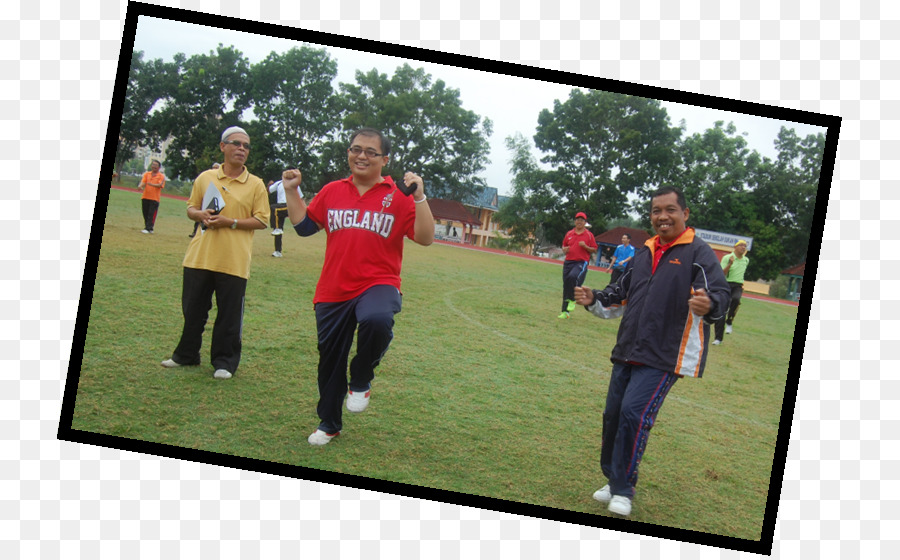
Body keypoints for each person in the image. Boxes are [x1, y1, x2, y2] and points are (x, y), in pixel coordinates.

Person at [573, 185, 730, 517]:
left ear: (685, 214)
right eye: (656, 210)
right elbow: (620, 292)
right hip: (628, 348)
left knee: (633, 413)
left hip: (665, 355)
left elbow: (720, 294)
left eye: (670, 210)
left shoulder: (698, 253)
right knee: (613, 416)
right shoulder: (644, 252)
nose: (663, 216)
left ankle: (624, 489)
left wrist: (709, 303)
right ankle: (613, 479)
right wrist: (594, 298)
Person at [281, 127, 435, 446]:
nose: (361, 156)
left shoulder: (399, 196)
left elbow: (425, 237)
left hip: (379, 282)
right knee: (330, 360)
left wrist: (419, 197)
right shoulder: (333, 190)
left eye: (370, 151)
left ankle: (362, 377)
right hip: (333, 289)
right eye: (355, 149)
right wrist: (291, 190)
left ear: (385, 159)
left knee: (378, 320)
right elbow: (305, 227)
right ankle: (329, 423)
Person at [160, 127, 269, 379]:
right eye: (236, 144)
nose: (242, 149)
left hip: (234, 260)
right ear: (223, 146)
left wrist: (230, 222)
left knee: (229, 315)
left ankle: (224, 362)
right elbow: (191, 208)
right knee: (193, 310)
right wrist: (199, 215)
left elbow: (262, 220)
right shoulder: (205, 177)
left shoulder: (255, 184)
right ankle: (185, 355)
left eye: (246, 145)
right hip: (200, 256)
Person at [559, 211, 597, 319]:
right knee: (566, 285)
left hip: (581, 262)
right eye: (577, 220)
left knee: (573, 277)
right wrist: (564, 249)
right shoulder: (569, 234)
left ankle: (572, 299)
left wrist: (585, 246)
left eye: (582, 220)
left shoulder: (589, 235)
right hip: (568, 261)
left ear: (585, 222)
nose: (579, 222)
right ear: (575, 221)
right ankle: (565, 312)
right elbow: (564, 245)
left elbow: (594, 249)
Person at [712, 240, 750, 345]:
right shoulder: (727, 258)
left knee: (736, 299)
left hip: (737, 285)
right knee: (721, 311)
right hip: (726, 285)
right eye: (741, 245)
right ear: (735, 247)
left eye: (745, 246)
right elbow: (722, 273)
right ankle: (718, 338)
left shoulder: (746, 260)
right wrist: (730, 264)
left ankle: (729, 321)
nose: (743, 247)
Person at [189, 163, 220, 238]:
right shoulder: (205, 177)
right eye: (213, 168)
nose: (214, 169)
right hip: (203, 203)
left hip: (214, 204)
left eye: (216, 168)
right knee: (199, 217)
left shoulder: (220, 180)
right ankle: (195, 232)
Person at [138, 159, 165, 234]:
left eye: (156, 165)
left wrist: (150, 184)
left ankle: (148, 228)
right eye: (153, 165)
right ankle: (148, 227)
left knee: (151, 214)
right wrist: (140, 186)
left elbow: (160, 185)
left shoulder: (161, 176)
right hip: (145, 196)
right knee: (145, 213)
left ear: (159, 167)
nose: (154, 166)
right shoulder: (147, 174)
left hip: (154, 198)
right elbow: (143, 182)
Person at [268, 178, 289, 257]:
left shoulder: (295, 183)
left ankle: (277, 228)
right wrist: (269, 185)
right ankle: (278, 251)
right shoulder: (279, 183)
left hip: (289, 205)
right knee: (279, 229)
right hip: (280, 206)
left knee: (273, 208)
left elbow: (300, 197)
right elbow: (269, 191)